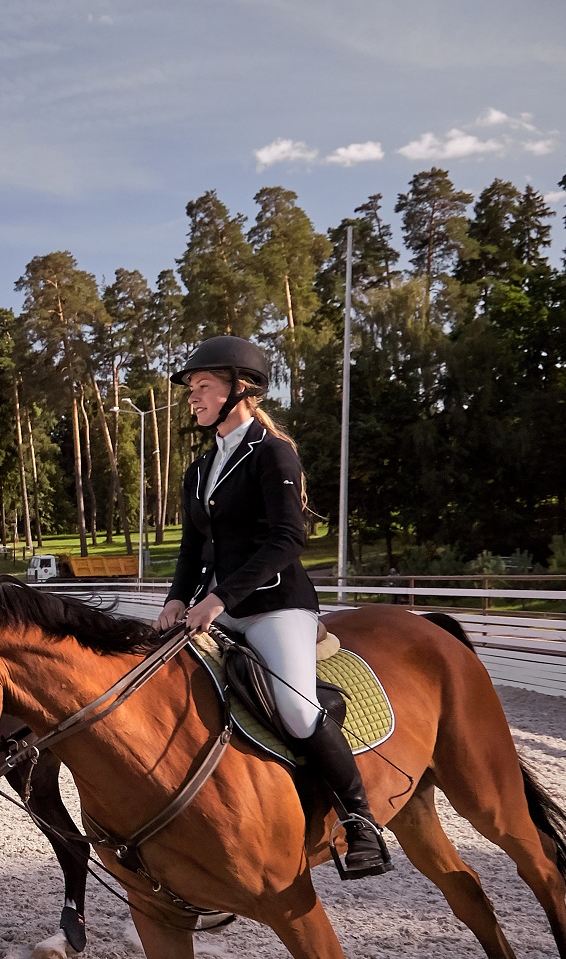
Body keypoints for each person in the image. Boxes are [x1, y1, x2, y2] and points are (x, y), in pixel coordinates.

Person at [155, 335, 390, 879]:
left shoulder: (272, 453)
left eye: (203, 386)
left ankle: (361, 823)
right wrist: (174, 598)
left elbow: (287, 540)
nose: (193, 397)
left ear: (241, 388)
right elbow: (194, 549)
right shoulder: (200, 469)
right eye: (192, 388)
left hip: (275, 607)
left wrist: (218, 598)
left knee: (298, 710)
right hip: (218, 606)